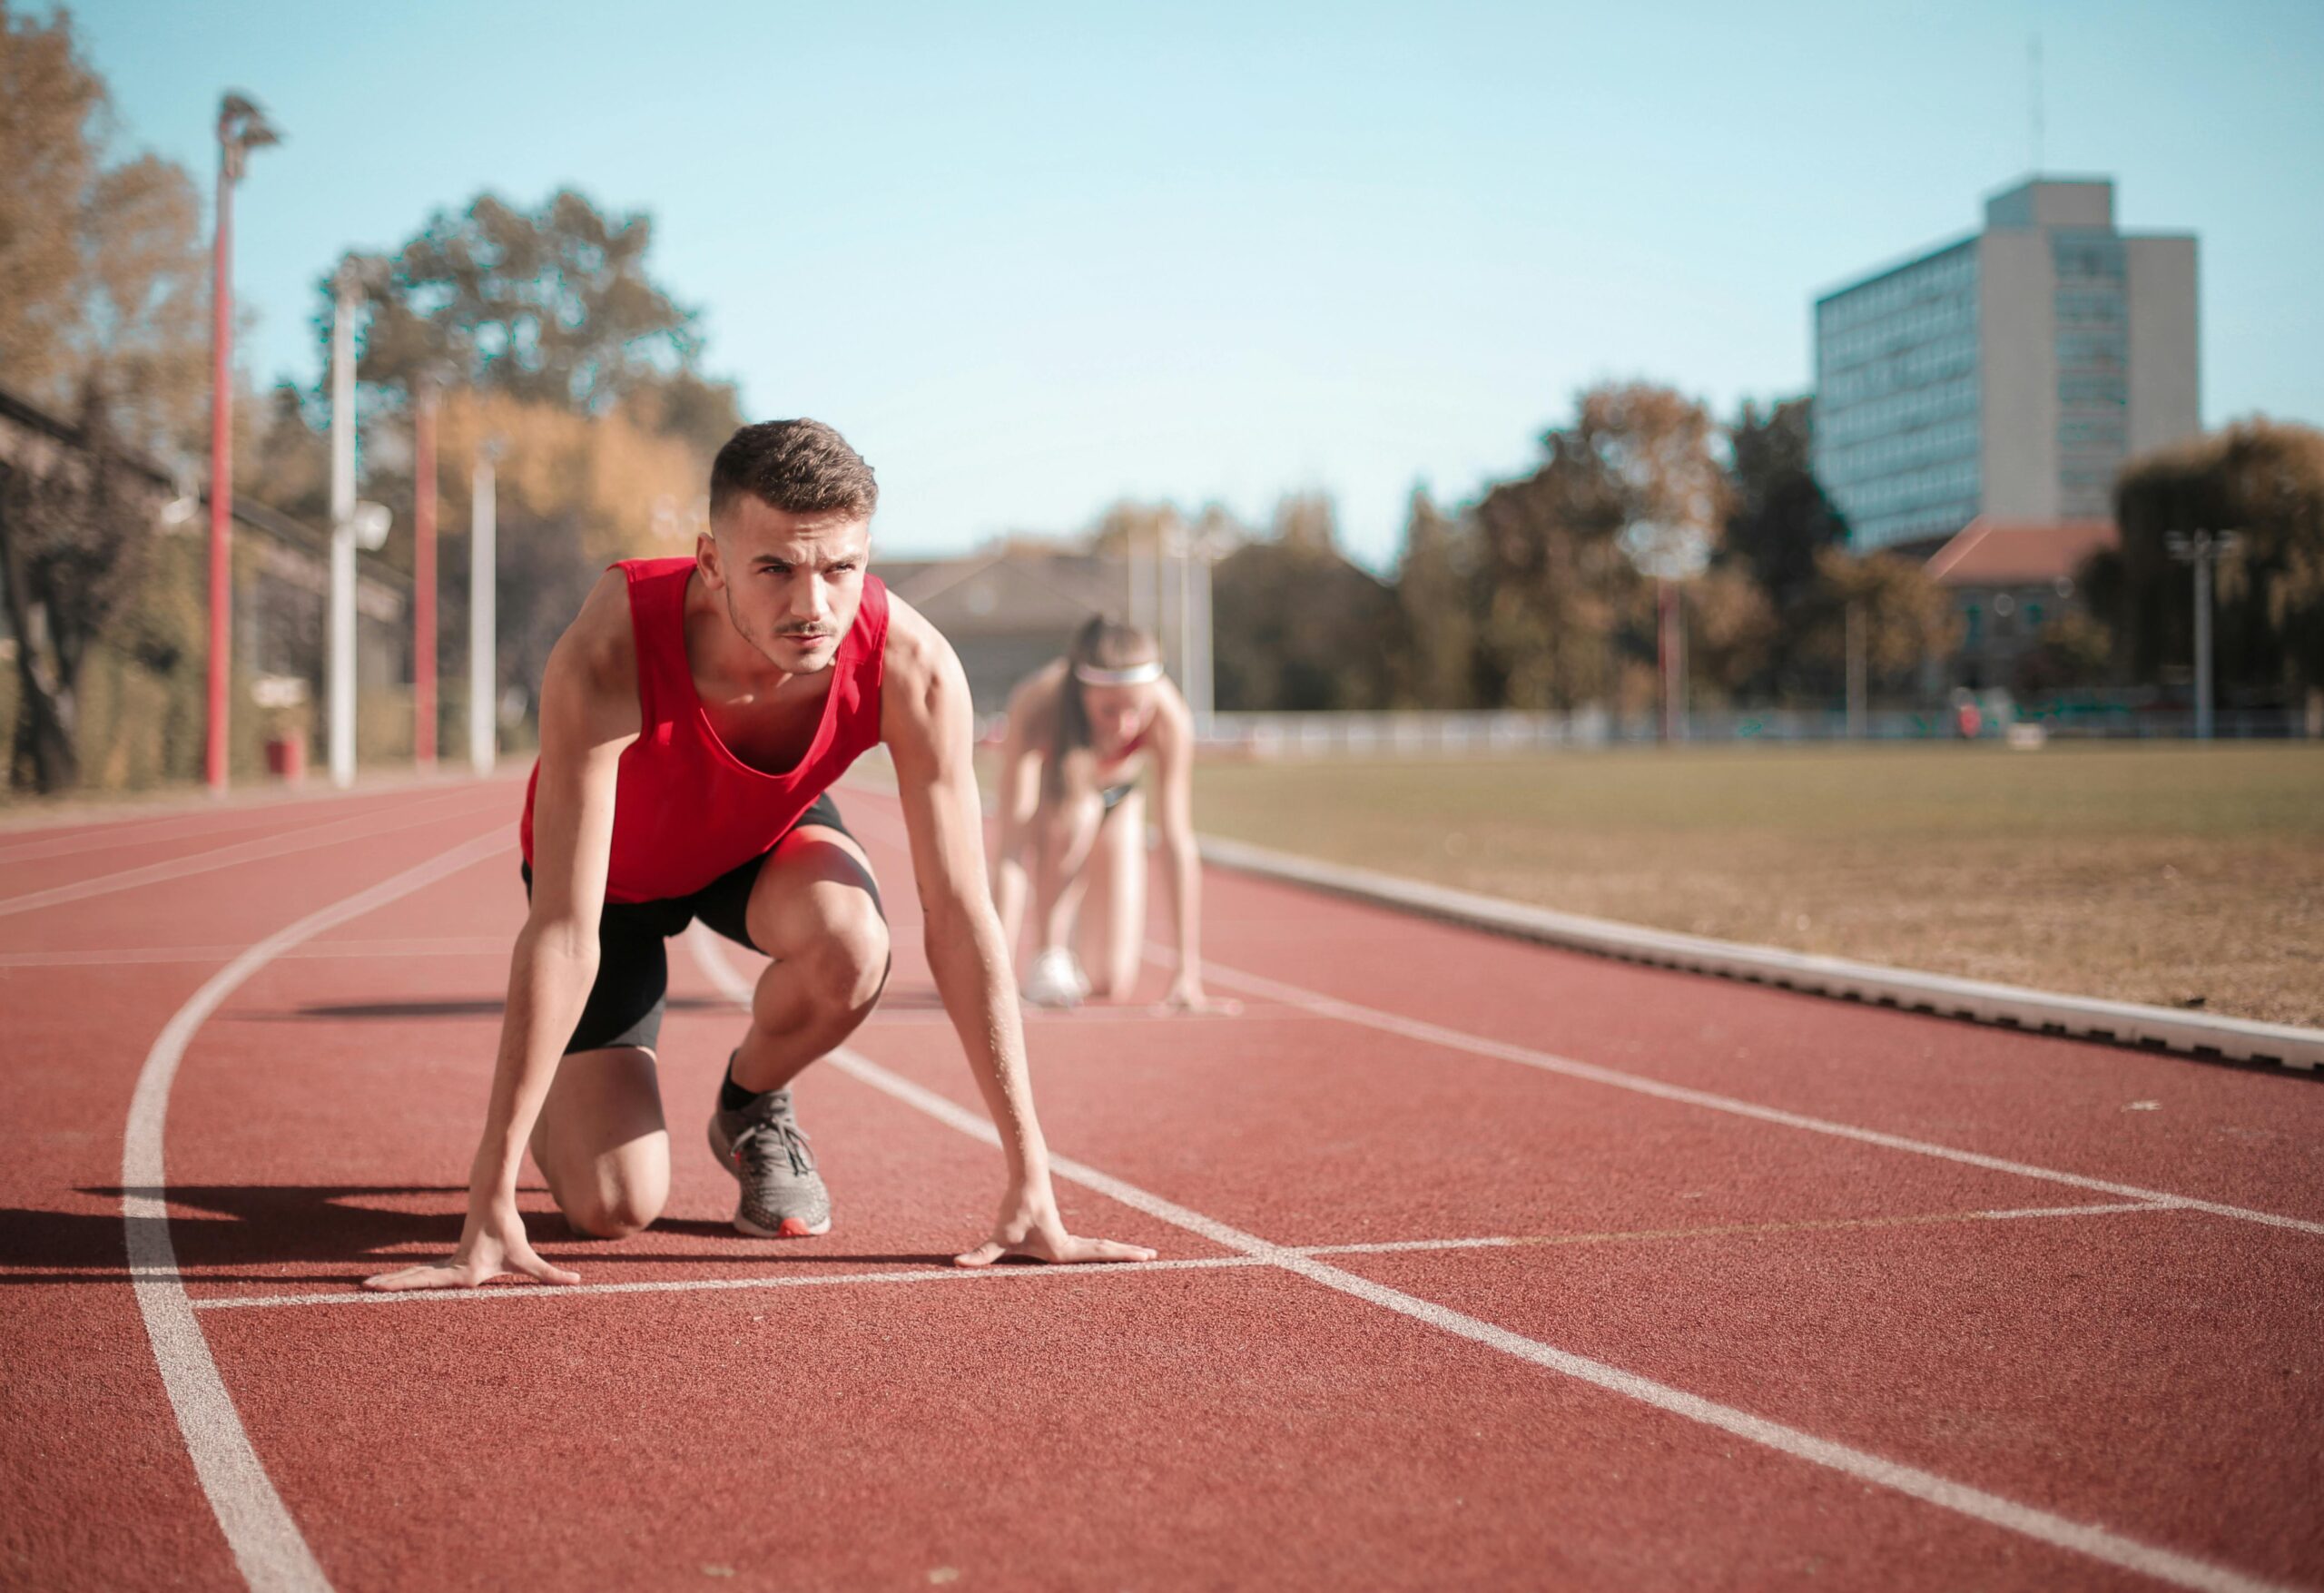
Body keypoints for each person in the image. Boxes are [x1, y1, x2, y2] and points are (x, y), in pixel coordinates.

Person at [366, 420, 1154, 1291]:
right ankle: (560, 1086)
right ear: (712, 561)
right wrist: (490, 1194)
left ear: (866, 556)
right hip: (613, 884)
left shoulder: (913, 667)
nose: (811, 604)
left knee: (856, 943)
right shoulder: (610, 647)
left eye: (839, 568)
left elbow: (963, 917)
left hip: (756, 842)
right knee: (614, 1207)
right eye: (774, 568)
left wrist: (1031, 1180)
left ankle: (749, 1105)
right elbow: (562, 927)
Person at [989, 616, 1236, 1013]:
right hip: (1059, 806)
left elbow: (1177, 842)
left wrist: (1186, 972)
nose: (1125, 726)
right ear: (1082, 694)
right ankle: (1049, 954)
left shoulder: (1169, 714)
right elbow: (1011, 849)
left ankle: (1078, 955)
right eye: (1109, 711)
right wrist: (993, 973)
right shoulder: (1038, 703)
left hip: (1121, 800)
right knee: (1078, 815)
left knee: (1109, 980)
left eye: (1136, 710)